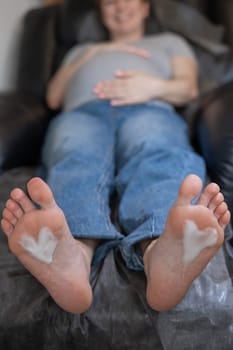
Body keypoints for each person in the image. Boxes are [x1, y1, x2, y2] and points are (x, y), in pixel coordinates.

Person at [1, 0, 231, 314]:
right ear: (101, 12)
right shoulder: (81, 51)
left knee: (156, 149)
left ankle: (161, 251)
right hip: (84, 113)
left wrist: (150, 87)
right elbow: (54, 96)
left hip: (147, 108)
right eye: (110, 2)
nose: (120, 7)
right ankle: (74, 255)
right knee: (75, 152)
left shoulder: (168, 42)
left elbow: (188, 88)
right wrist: (93, 53)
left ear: (145, 7)